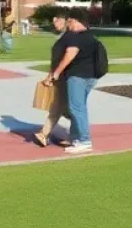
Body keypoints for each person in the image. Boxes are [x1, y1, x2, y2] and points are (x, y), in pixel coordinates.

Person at [43, 16, 101, 154]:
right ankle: (76, 138)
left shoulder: (75, 37)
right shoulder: (91, 36)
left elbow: (70, 54)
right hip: (91, 76)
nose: (68, 25)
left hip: (77, 76)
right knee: (79, 107)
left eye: (69, 22)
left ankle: (84, 140)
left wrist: (56, 73)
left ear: (75, 21)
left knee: (77, 108)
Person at [34, 13, 73, 148]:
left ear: (64, 21)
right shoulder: (63, 37)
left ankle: (44, 133)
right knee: (64, 108)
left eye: (56, 21)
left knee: (62, 107)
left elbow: (63, 60)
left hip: (66, 76)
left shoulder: (70, 37)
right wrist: (50, 76)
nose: (54, 24)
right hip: (60, 76)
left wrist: (51, 76)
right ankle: (77, 133)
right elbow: (56, 60)